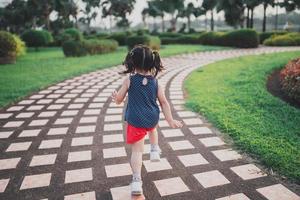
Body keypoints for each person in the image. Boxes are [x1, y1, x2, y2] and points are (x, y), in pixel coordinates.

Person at [111, 45, 183, 196]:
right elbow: (164, 102)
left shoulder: (129, 80)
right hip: (152, 117)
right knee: (152, 129)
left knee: (137, 152)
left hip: (136, 120)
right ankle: (155, 149)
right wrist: (170, 120)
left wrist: (115, 97)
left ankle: (137, 181)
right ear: (152, 63)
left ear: (133, 63)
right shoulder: (157, 83)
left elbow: (119, 100)